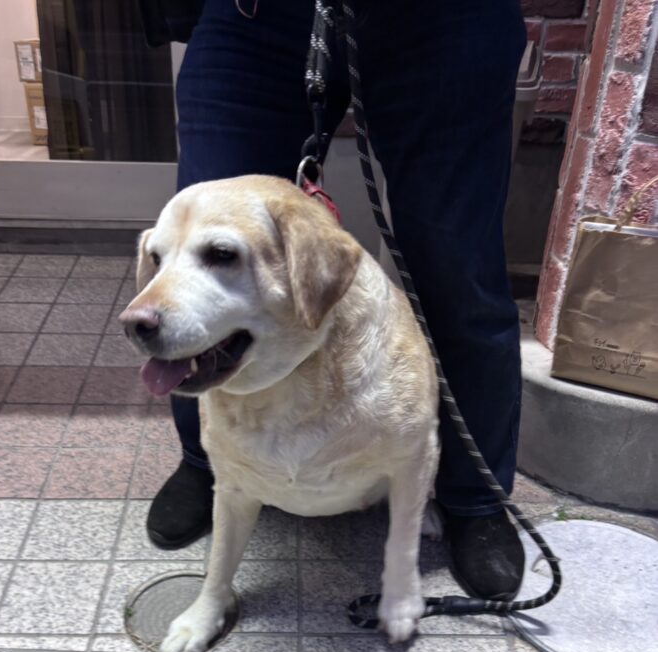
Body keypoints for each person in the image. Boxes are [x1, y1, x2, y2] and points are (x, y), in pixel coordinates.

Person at [147, 0, 527, 600]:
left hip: (448, 17)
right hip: (256, 14)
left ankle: (474, 498)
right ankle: (209, 461)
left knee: (460, 270)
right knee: (209, 247)